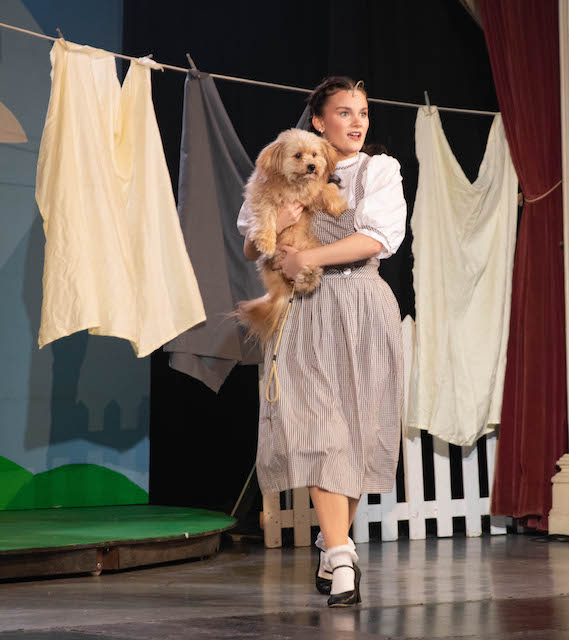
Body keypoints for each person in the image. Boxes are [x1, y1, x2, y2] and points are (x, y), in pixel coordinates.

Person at [237, 76, 407, 607]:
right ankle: (341, 557)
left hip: (362, 304)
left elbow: (377, 238)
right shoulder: (282, 167)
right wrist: (279, 221)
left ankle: (331, 545)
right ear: (318, 121)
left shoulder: (378, 170)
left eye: (363, 113)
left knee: (355, 434)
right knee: (319, 433)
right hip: (305, 308)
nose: (357, 122)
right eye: (344, 112)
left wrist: (307, 256)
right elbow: (250, 244)